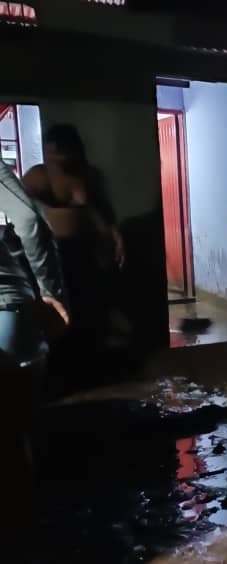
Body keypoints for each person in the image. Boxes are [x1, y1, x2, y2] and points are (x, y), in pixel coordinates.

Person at [19, 124, 125, 376]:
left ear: (74, 151)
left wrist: (117, 237)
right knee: (57, 313)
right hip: (50, 255)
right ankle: (58, 368)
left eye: (61, 153)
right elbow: (17, 204)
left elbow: (104, 210)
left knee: (89, 311)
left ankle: (87, 366)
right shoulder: (38, 176)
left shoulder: (88, 176)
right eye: (51, 153)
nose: (55, 158)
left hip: (84, 252)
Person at [1, 160, 69, 517]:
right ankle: (30, 523)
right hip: (6, 306)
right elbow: (28, 221)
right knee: (17, 427)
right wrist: (50, 292)